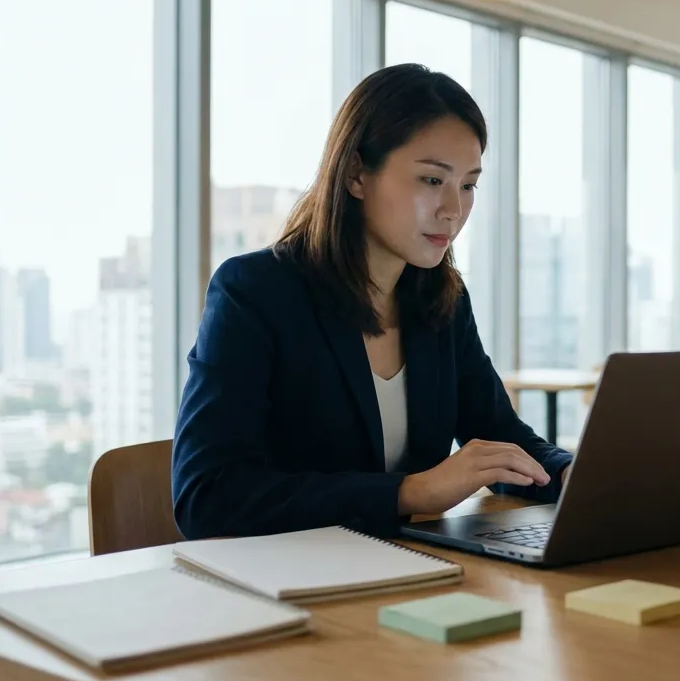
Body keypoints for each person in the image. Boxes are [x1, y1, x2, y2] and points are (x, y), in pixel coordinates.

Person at [171, 64, 572, 540]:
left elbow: (500, 441)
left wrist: (573, 475)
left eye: (468, 185)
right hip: (289, 583)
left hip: (412, 572)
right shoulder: (255, 291)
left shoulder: (441, 299)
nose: (454, 209)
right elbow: (207, 497)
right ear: (357, 175)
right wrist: (410, 492)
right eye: (431, 180)